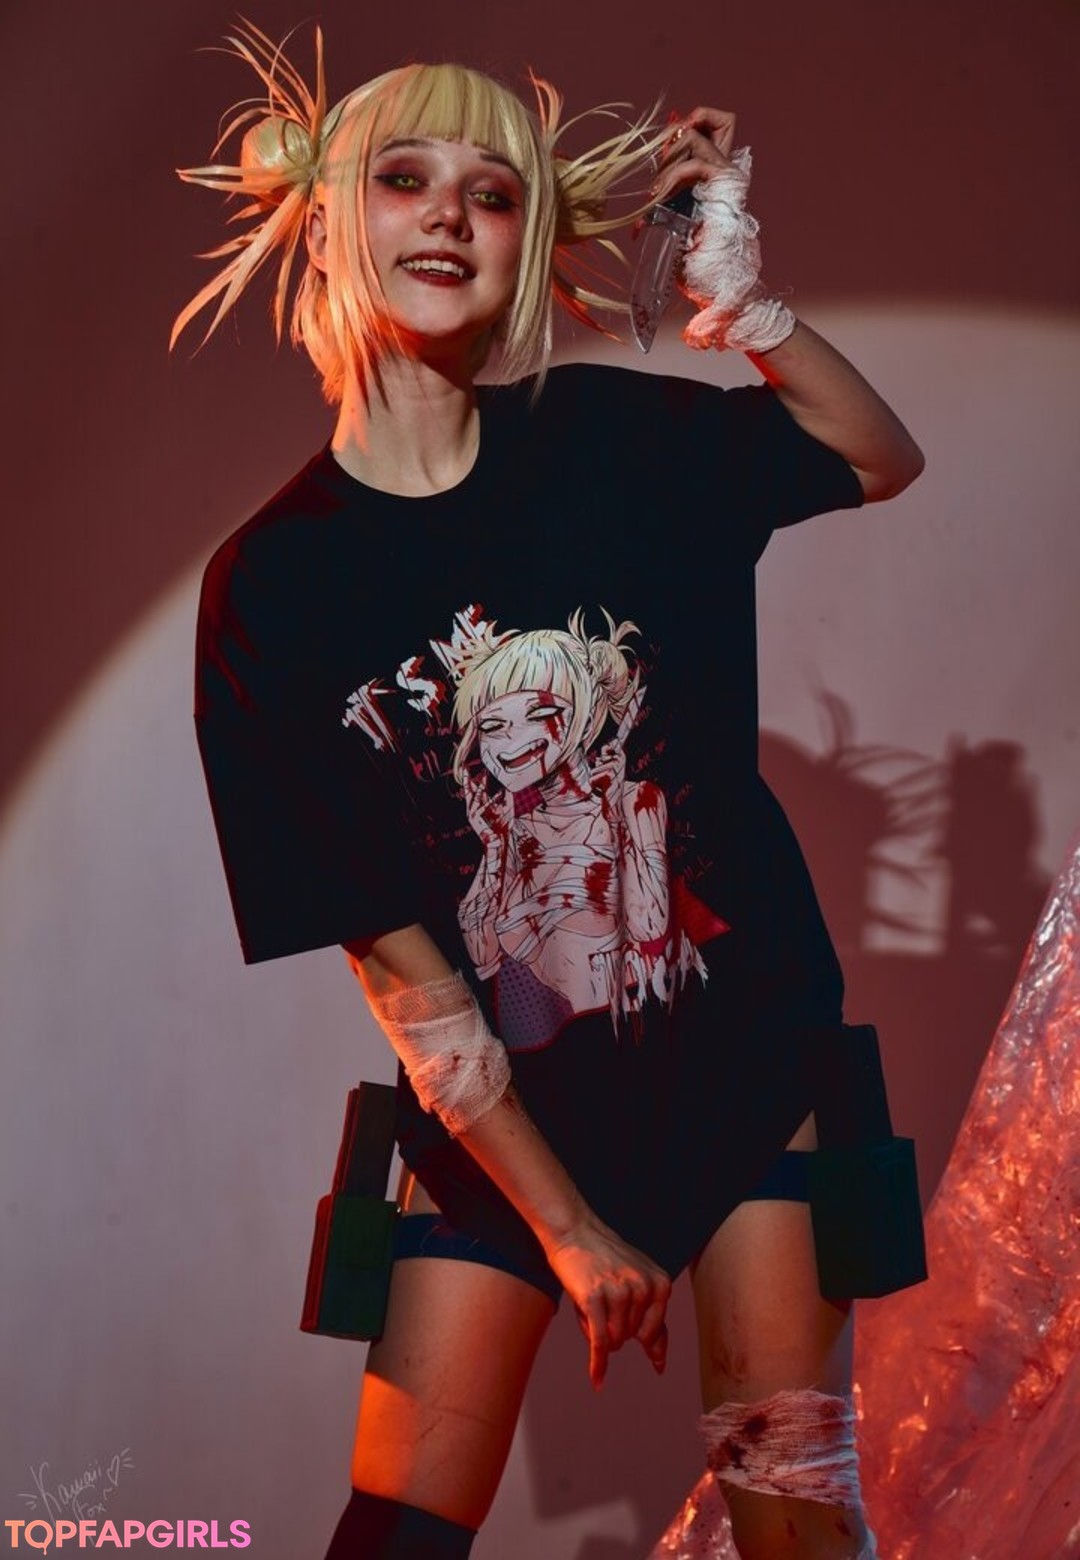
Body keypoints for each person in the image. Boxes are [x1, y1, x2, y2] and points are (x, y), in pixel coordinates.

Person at [175, 21, 926, 1560]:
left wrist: (750, 309)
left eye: (493, 192)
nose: (449, 216)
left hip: (745, 1071)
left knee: (792, 1515)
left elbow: (875, 456)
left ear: (526, 243)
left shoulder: (617, 443)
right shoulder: (274, 586)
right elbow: (401, 969)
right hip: (507, 1111)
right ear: (328, 219)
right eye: (404, 178)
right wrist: (571, 1230)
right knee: (399, 1527)